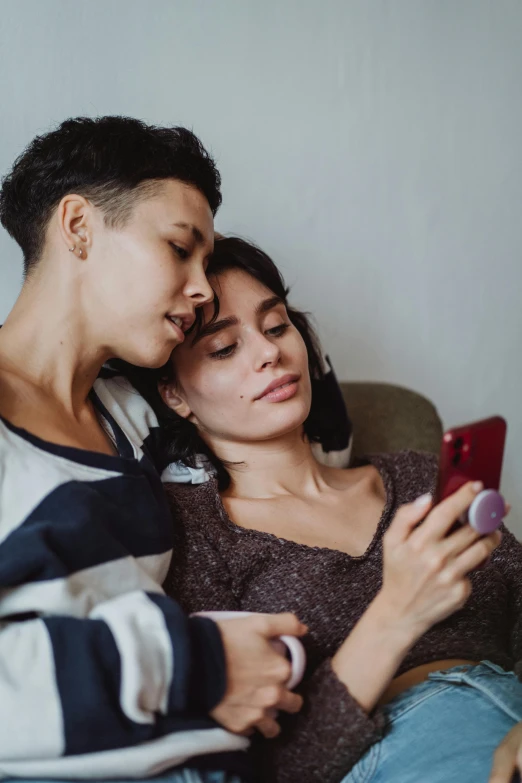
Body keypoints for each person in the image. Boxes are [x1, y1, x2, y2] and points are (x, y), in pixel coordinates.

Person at [127, 236, 522, 783]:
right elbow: (267, 768)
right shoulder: (192, 533)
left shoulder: (415, 476)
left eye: (277, 326)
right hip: (393, 750)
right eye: (224, 348)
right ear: (174, 395)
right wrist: (397, 612)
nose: (271, 353)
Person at [0, 118, 307, 783]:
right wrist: (199, 664)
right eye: (179, 248)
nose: (202, 290)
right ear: (78, 227)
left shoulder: (136, 415)